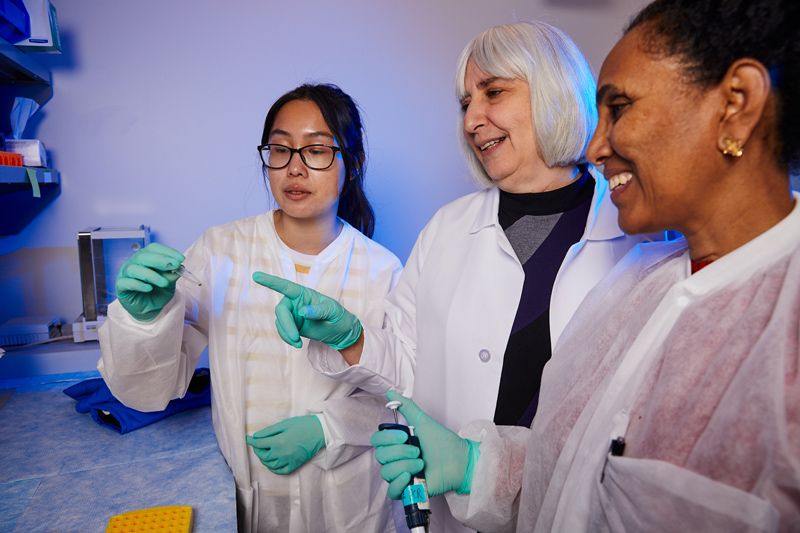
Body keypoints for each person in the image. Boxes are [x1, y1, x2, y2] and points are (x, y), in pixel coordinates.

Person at [372, 0, 800, 530]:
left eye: (619, 107)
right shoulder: (639, 286)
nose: (595, 146)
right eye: (465, 101)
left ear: (737, 103)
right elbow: (571, 458)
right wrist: (473, 465)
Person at [254, 21, 664, 533]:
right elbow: (407, 371)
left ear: (555, 91)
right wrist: (353, 338)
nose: (472, 119)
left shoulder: (640, 237)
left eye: (493, 92)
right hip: (454, 517)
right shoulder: (448, 228)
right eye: (465, 102)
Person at [97, 83, 403, 533]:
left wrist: (331, 428)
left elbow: (403, 394)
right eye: (280, 149)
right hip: (248, 494)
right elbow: (147, 393)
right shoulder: (220, 252)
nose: (294, 168)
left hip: (351, 499)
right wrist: (146, 322)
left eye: (316, 150)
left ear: (351, 164)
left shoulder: (382, 271)